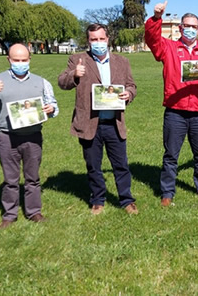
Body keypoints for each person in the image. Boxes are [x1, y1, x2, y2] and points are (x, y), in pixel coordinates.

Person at [145, 1, 198, 206]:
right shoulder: (169, 47)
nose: (190, 29)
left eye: (194, 26)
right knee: (171, 155)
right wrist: (156, 18)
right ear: (180, 28)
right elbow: (152, 39)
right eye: (186, 26)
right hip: (175, 111)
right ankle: (167, 193)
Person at [0, 43, 58, 228]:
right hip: (7, 136)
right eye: (16, 60)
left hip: (33, 136)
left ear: (29, 59)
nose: (20, 63)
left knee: (33, 177)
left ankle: (34, 211)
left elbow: (54, 106)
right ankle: (10, 214)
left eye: (24, 60)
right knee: (10, 179)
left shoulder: (42, 82)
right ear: (8, 60)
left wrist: (51, 109)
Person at [58, 23, 138, 215]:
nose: (98, 43)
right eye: (94, 39)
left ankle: (126, 199)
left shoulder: (122, 61)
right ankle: (98, 199)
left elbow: (132, 85)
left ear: (108, 39)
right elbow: (62, 82)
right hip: (89, 123)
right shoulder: (78, 59)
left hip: (114, 123)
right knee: (93, 165)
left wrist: (128, 93)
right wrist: (74, 75)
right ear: (88, 41)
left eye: (101, 39)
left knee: (121, 165)